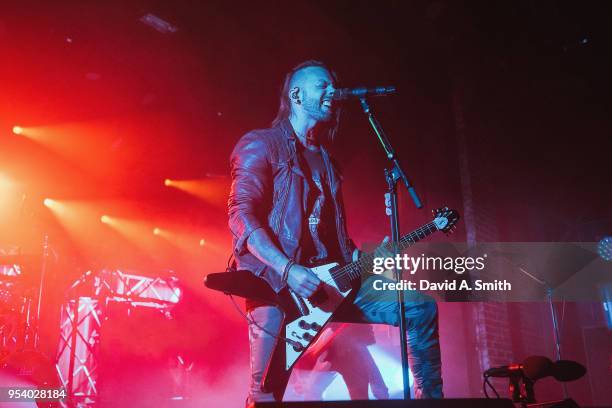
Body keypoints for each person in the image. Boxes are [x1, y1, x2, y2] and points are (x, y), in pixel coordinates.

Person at [228, 60, 442, 406]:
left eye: (333, 85)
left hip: (331, 282)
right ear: (296, 94)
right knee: (265, 394)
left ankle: (431, 400)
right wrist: (287, 269)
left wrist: (362, 257)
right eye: (322, 86)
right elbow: (241, 215)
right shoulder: (261, 144)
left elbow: (332, 236)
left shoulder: (327, 161)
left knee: (418, 308)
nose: (332, 92)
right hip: (277, 284)